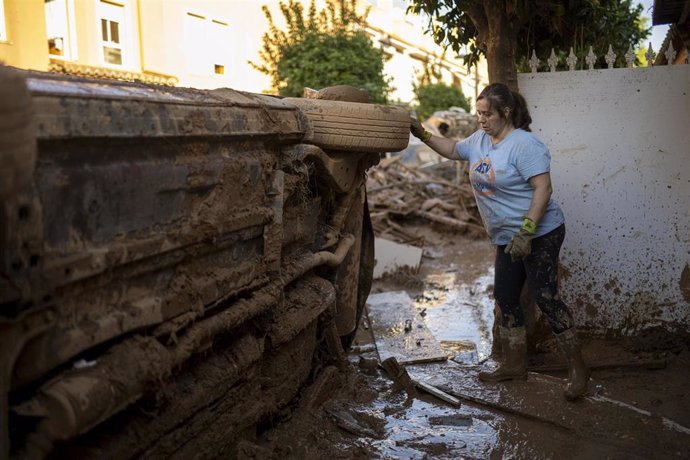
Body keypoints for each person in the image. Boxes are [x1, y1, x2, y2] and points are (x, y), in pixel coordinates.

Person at [410, 83, 589, 400]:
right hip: (507, 236)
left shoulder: (524, 145)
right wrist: (422, 133)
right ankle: (514, 365)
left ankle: (578, 370)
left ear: (505, 112)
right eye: (478, 113)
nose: (481, 119)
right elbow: (453, 150)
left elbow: (543, 189)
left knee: (546, 298)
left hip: (542, 231)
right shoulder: (479, 141)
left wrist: (527, 231)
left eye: (487, 114)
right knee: (506, 298)